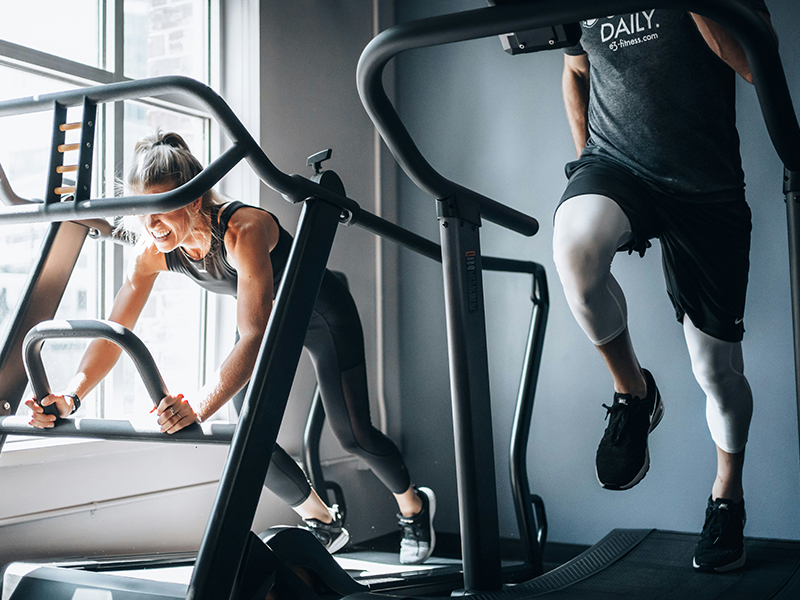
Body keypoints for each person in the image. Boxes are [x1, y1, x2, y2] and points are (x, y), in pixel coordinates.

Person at [26, 131, 436, 565]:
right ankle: (324, 522)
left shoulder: (244, 229)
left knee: (352, 434)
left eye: (163, 207)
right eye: (142, 210)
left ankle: (414, 506)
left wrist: (198, 407)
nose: (152, 225)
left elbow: (254, 335)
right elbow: (114, 331)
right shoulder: (152, 250)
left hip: (322, 314)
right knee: (249, 430)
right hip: (266, 319)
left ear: (195, 197)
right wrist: (71, 396)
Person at [554, 5, 774, 573]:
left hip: (706, 186)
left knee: (716, 372)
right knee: (576, 249)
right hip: (616, 164)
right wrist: (585, 164)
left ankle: (727, 493)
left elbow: (752, 63)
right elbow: (576, 70)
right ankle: (634, 393)